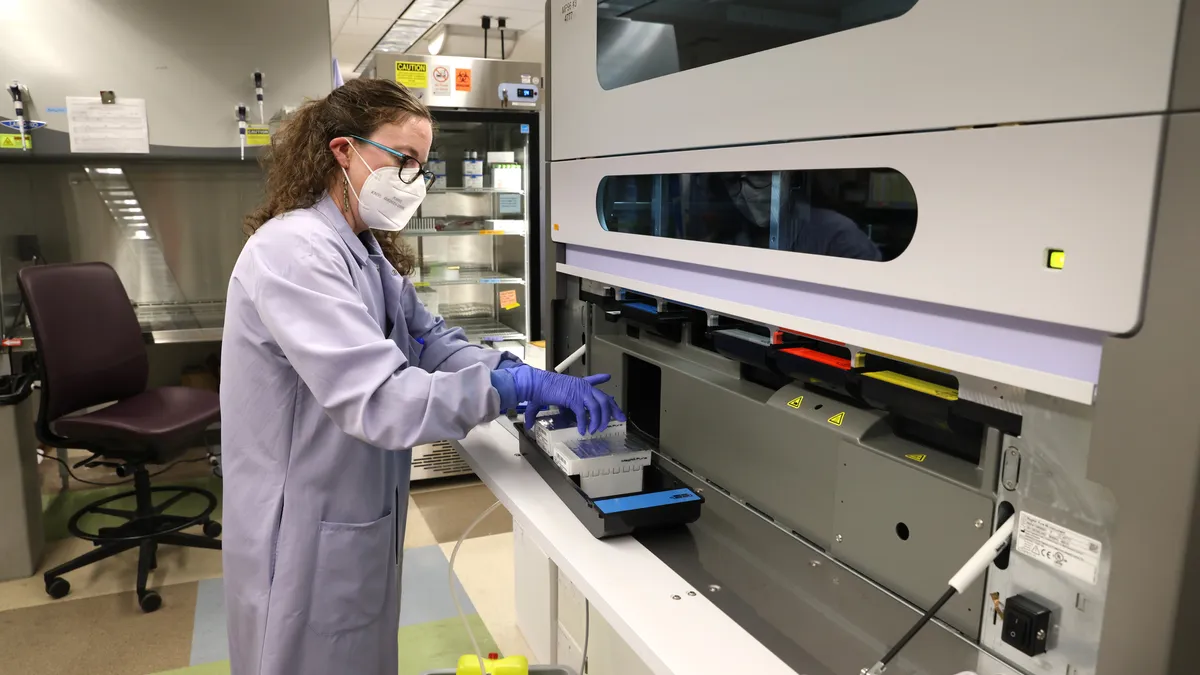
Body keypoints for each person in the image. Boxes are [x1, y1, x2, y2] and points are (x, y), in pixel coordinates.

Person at [220, 78, 623, 675]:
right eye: (403, 158)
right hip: (299, 520)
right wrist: (505, 391)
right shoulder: (295, 252)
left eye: (422, 165)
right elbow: (381, 400)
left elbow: (433, 342)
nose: (413, 178)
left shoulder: (365, 252)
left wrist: (518, 375)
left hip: (352, 508)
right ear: (342, 150)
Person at [716, 172, 883, 260]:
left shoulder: (838, 234)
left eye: (760, 176)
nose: (746, 192)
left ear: (791, 176)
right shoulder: (730, 236)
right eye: (732, 180)